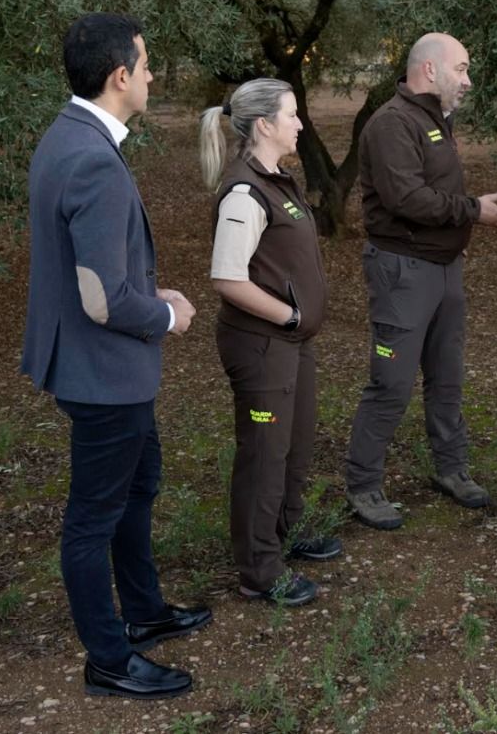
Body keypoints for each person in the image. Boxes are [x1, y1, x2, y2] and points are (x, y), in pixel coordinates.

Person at [20, 13, 210, 700]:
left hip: (100, 366)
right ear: (120, 75)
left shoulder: (67, 135)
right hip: (104, 373)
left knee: (139, 483)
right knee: (92, 518)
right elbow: (101, 300)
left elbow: (90, 269)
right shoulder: (93, 159)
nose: (154, 76)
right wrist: (166, 314)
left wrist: (145, 291)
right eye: (147, 64)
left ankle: (144, 610)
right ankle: (108, 658)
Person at [344, 32, 497, 529]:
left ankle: (451, 469)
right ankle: (363, 484)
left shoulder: (434, 118)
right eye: (461, 69)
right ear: (429, 70)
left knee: (447, 377)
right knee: (392, 383)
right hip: (403, 273)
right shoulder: (392, 123)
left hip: (445, 270)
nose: (468, 80)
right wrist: (473, 211)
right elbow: (406, 199)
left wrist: (457, 232)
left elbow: (432, 192)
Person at [200, 78, 339, 608]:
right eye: (292, 114)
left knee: (294, 445)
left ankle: (285, 533)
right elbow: (227, 278)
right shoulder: (245, 192)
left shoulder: (277, 180)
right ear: (264, 124)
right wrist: (290, 315)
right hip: (263, 346)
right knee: (264, 455)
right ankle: (259, 570)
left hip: (291, 343)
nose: (300, 124)